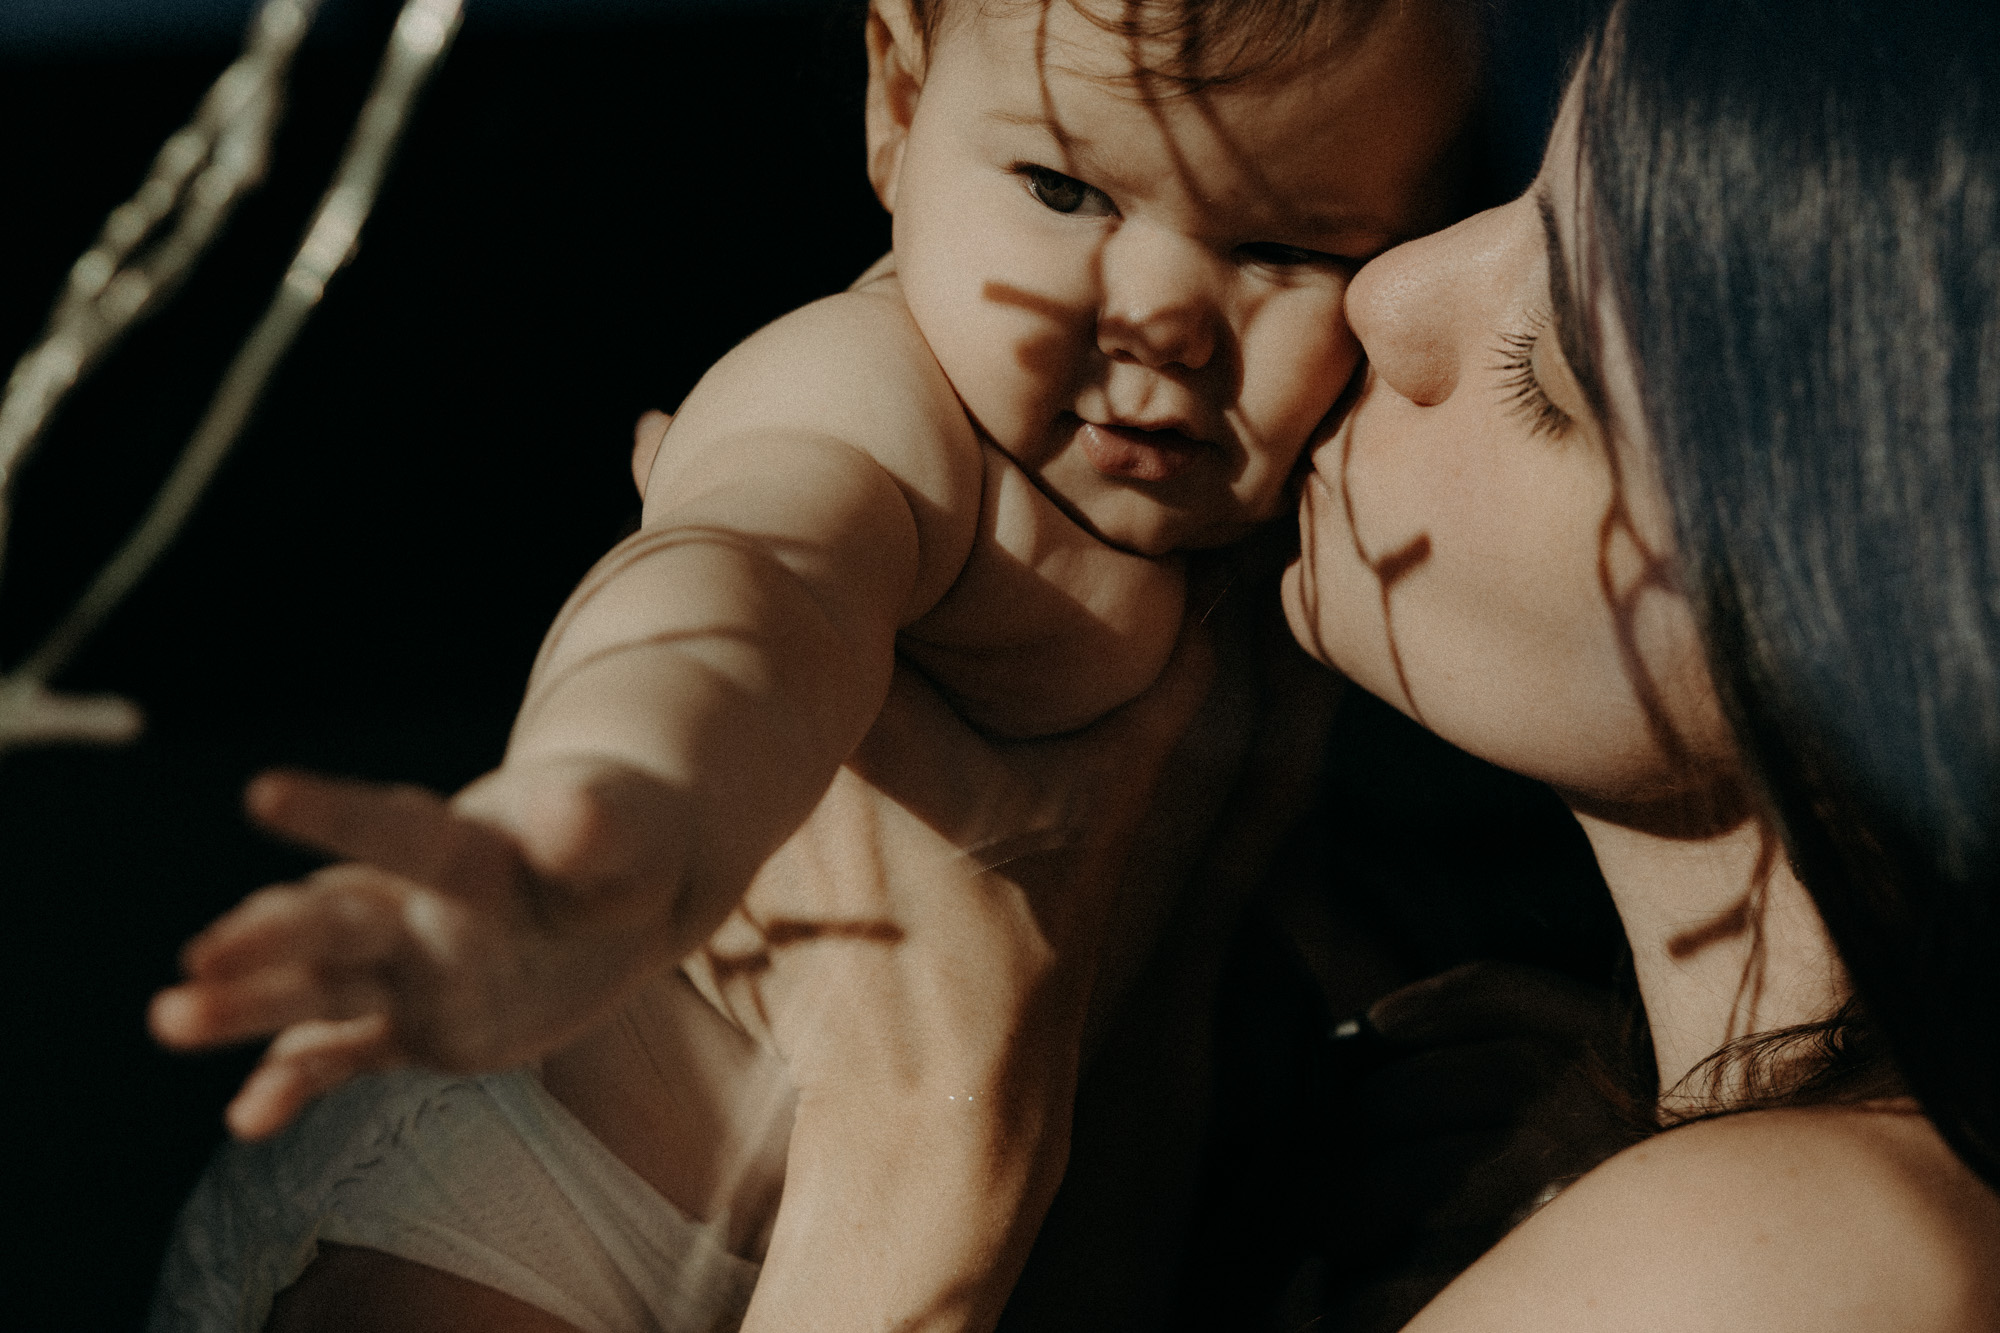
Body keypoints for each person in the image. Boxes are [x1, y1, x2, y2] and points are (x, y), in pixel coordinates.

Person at [147, 0, 1484, 1328]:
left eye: (1281, 246)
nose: (1159, 317)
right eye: (1062, 189)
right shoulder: (877, 396)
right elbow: (751, 576)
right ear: (898, 103)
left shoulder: (1285, 515)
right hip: (538, 1206)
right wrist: (616, 804)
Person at [1281, 0, 2000, 1325]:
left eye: (1548, 368)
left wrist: (933, 1107)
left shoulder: (1769, 1265)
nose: (1385, 293)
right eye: (1509, 183)